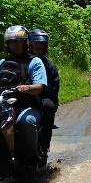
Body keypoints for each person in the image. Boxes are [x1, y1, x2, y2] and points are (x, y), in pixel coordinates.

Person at [0, 25, 47, 167]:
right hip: (3, 104)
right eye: (11, 42)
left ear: (25, 43)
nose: (14, 44)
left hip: (26, 105)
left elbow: (40, 86)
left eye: (18, 41)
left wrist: (27, 88)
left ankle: (31, 161)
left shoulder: (34, 61)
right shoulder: (3, 62)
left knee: (25, 122)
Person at [28, 28, 60, 157]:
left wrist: (39, 88)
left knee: (48, 106)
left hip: (43, 98)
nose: (39, 45)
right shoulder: (23, 61)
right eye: (36, 42)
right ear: (29, 44)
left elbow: (54, 87)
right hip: (22, 96)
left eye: (42, 43)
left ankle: (44, 144)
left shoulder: (49, 65)